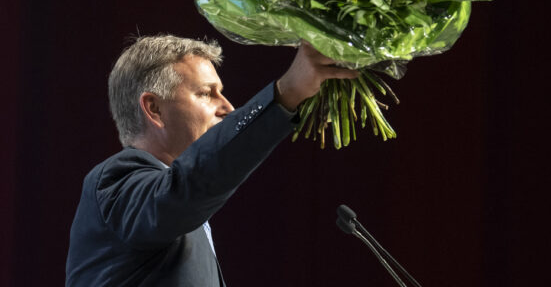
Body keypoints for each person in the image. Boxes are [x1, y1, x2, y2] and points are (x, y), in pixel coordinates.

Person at [65, 35, 357, 286]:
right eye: (206, 93)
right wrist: (285, 94)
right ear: (154, 108)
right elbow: (187, 186)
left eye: (222, 92)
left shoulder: (180, 209)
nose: (228, 107)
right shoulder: (114, 181)